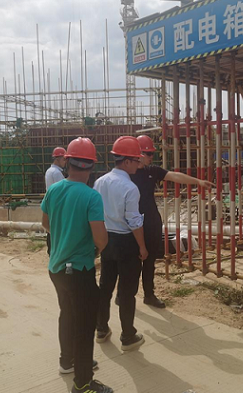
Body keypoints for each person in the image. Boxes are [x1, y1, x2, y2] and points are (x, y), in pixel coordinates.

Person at [41, 137, 114, 393]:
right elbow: (101, 239)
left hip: (56, 268)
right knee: (84, 326)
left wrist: (65, 237)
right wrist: (92, 248)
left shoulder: (53, 190)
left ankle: (67, 361)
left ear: (67, 162)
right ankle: (83, 383)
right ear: (91, 166)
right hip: (80, 271)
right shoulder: (91, 196)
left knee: (67, 315)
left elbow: (46, 224)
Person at [128, 134, 214, 308]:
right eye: (149, 154)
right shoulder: (126, 175)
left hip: (151, 222)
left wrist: (197, 181)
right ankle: (126, 295)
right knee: (131, 262)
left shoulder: (152, 171)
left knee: (150, 261)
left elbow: (174, 176)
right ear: (138, 154)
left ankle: (149, 294)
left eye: (152, 154)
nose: (151, 157)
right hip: (132, 223)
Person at [93, 136, 147, 351]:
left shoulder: (100, 182)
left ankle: (101, 329)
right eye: (136, 160)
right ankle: (128, 335)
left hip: (106, 239)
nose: (138, 164)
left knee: (105, 286)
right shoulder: (130, 187)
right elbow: (134, 221)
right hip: (126, 242)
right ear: (126, 161)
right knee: (126, 292)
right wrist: (142, 246)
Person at [45, 146, 67, 256]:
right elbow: (62, 191)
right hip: (58, 207)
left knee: (51, 231)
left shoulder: (49, 171)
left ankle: (51, 252)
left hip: (51, 206)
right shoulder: (57, 173)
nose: (65, 162)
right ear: (57, 159)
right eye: (64, 159)